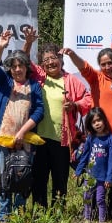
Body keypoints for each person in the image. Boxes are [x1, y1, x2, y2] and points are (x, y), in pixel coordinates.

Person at [63, 46, 112, 221]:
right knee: (95, 177)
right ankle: (92, 212)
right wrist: (72, 54)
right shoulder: (97, 78)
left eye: (110, 62)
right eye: (103, 64)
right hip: (97, 140)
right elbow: (84, 67)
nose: (107, 67)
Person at [21, 29, 92, 209]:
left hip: (62, 141)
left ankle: (58, 214)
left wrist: (75, 105)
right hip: (38, 139)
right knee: (39, 179)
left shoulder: (71, 80)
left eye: (53, 58)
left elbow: (88, 99)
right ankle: (39, 214)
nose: (50, 62)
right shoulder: (39, 76)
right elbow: (23, 60)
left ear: (60, 60)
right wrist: (28, 42)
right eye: (46, 60)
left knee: (60, 180)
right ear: (42, 64)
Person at [0, 31, 44, 222]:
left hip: (26, 141)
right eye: (13, 66)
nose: (17, 69)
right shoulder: (5, 83)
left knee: (22, 178)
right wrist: (1, 46)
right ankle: (4, 217)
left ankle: (19, 216)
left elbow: (39, 111)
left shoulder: (34, 86)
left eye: (20, 65)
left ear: (26, 67)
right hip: (3, 139)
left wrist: (22, 132)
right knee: (5, 177)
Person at [73, 107, 112, 223]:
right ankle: (87, 220)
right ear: (90, 124)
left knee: (100, 200)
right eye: (93, 122)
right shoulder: (91, 138)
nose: (97, 124)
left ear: (104, 120)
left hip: (102, 177)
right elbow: (85, 156)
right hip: (90, 175)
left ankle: (102, 222)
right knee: (87, 198)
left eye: (99, 120)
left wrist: (109, 177)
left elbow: (111, 160)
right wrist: (78, 171)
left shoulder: (111, 139)